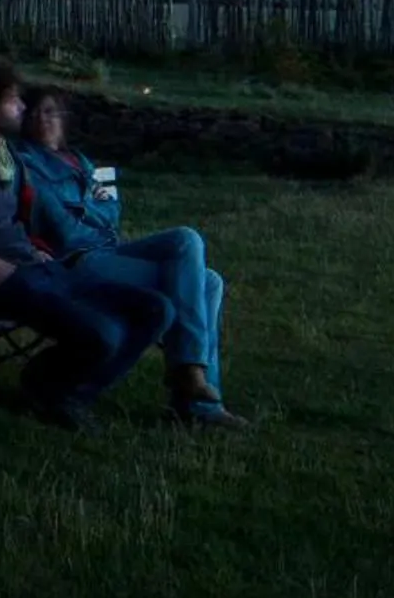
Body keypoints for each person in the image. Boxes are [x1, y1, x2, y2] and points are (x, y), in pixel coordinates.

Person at [0, 56, 173, 431]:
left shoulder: (9, 161)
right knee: (104, 334)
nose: (22, 108)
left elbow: (24, 219)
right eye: (13, 100)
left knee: (156, 309)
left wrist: (38, 245)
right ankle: (52, 389)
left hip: (36, 267)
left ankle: (66, 392)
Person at [17, 90, 246, 429]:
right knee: (205, 284)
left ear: (64, 121)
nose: (42, 119)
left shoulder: (86, 163)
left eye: (50, 112)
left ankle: (191, 384)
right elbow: (62, 229)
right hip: (76, 260)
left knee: (190, 246)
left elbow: (111, 213)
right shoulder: (27, 162)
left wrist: (87, 211)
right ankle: (193, 392)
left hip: (107, 247)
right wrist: (91, 212)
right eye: (35, 113)